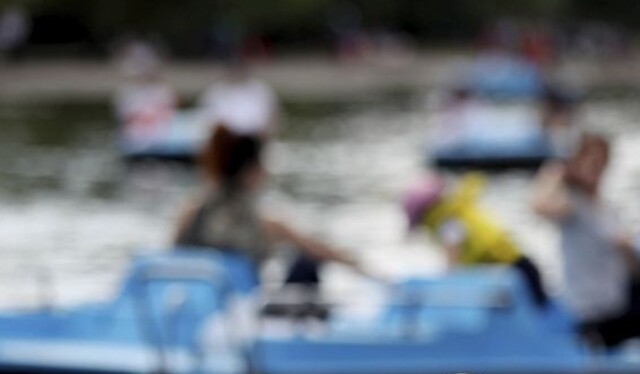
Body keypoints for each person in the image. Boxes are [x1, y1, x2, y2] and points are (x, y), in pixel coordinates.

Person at [532, 133, 640, 349]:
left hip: (617, 304)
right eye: (589, 159)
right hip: (592, 315)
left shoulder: (606, 208)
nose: (595, 166)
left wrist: (631, 250)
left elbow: (634, 265)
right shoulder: (572, 205)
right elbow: (539, 206)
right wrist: (555, 170)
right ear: (575, 163)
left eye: (600, 160)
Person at [174, 125, 362, 283]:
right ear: (251, 172)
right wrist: (359, 266)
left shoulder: (193, 211)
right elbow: (317, 249)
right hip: (239, 311)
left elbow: (170, 259)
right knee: (305, 264)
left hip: (199, 306)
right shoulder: (265, 221)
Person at [402, 173, 548, 306]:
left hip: (512, 268)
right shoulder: (455, 211)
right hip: (514, 264)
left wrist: (447, 286)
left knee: (535, 304)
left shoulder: (447, 223)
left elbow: (452, 260)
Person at [199, 56, 281, 140]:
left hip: (254, 139)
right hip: (224, 140)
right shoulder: (214, 91)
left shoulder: (261, 90)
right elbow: (205, 119)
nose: (237, 71)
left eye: (239, 68)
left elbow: (273, 118)